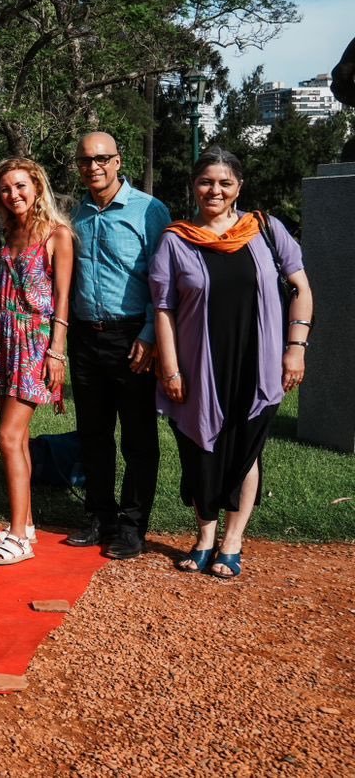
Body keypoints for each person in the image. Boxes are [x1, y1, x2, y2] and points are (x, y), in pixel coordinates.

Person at [151, 149, 313, 580]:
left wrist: (295, 346)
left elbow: (300, 286)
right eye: (206, 181)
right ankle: (204, 536)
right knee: (200, 447)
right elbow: (163, 308)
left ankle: (233, 540)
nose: (215, 190)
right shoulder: (176, 239)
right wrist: (170, 367)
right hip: (198, 363)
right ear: (193, 185)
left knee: (246, 447)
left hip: (255, 361)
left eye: (224, 182)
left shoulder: (265, 230)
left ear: (239, 187)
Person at [67, 132, 172, 560]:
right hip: (85, 336)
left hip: (133, 337)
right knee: (93, 434)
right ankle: (100, 516)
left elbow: (164, 279)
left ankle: (132, 526)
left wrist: (150, 334)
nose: (94, 167)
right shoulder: (76, 215)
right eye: (85, 161)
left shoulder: (150, 210)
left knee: (138, 437)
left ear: (117, 161)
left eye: (102, 159)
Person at [0, 157, 73, 566]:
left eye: (20, 186)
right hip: (0, 340)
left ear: (36, 186)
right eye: (5, 189)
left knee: (7, 436)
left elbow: (63, 299)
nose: (13, 194)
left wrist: (57, 351)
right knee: (15, 440)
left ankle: (17, 536)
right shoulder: (5, 233)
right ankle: (28, 525)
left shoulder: (57, 234)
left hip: (34, 342)